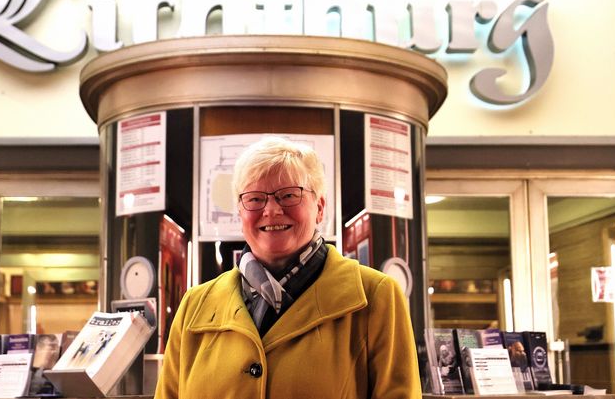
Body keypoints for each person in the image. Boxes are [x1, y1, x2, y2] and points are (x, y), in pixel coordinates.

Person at [155, 136, 420, 399]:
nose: (271, 210)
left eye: (289, 195)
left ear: (320, 207)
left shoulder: (376, 297)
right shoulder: (193, 306)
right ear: (240, 212)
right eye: (256, 198)